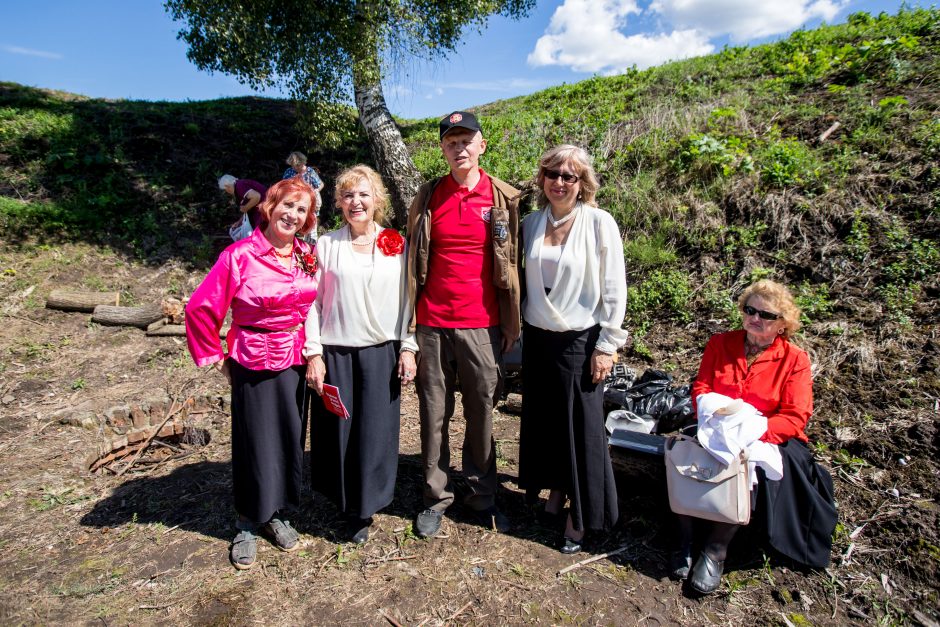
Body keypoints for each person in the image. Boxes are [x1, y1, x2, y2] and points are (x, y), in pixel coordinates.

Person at [185, 177, 319, 570]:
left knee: (289, 439)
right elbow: (201, 307)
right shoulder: (239, 255)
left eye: (301, 209)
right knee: (253, 442)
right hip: (252, 359)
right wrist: (216, 354)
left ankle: (277, 512)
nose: (292, 215)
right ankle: (247, 520)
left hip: (294, 359)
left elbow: (315, 306)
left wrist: (315, 352)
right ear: (270, 206)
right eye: (287, 205)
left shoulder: (306, 255)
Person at [673, 279, 837, 594]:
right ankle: (684, 540)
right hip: (716, 427)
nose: (755, 318)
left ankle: (716, 549)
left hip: (765, 434)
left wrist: (754, 432)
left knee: (746, 466)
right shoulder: (721, 344)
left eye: (766, 314)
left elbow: (796, 415)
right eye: (750, 310)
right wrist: (710, 414)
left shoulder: (794, 360)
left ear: (782, 325)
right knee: (684, 453)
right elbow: (701, 388)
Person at [405, 111, 521, 538]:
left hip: (482, 326)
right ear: (442, 149)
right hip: (432, 323)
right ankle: (436, 497)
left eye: (466, 140)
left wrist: (511, 321)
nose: (459, 148)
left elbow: (514, 266)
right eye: (451, 141)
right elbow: (412, 262)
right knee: (434, 414)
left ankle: (481, 497)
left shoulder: (503, 198)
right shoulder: (428, 196)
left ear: (482, 145)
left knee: (481, 414)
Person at [516, 145, 628, 554]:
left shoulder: (599, 224)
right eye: (553, 174)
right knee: (547, 421)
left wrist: (608, 344)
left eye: (570, 176)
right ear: (542, 179)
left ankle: (581, 515)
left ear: (583, 184)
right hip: (538, 339)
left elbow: (614, 286)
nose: (560, 182)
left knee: (581, 428)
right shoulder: (529, 223)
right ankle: (557, 491)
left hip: (581, 342)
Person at [304, 165, 417, 544]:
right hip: (336, 352)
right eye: (349, 195)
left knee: (374, 431)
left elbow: (408, 302)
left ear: (377, 201)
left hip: (381, 352)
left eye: (364, 194)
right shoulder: (326, 245)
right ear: (338, 203)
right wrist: (314, 352)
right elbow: (311, 303)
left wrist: (408, 346)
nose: (357, 202)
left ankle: (366, 504)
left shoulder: (395, 244)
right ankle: (341, 499)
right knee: (339, 430)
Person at [283, 151, 324, 243]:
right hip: (293, 203)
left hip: (309, 204)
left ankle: (310, 247)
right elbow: (283, 186)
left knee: (310, 227)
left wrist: (315, 191)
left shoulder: (310, 172)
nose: (295, 168)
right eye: (293, 165)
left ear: (303, 162)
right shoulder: (289, 172)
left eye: (297, 165)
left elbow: (320, 184)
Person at [219, 174, 268, 241]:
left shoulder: (240, 186)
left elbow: (256, 196)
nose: (226, 192)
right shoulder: (240, 185)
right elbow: (250, 206)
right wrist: (239, 221)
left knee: (261, 238)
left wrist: (245, 207)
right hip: (262, 212)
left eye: (225, 190)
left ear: (227, 186)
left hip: (264, 212)